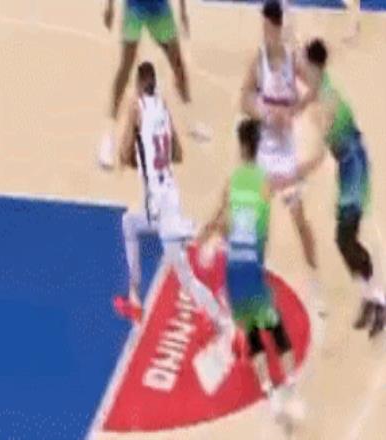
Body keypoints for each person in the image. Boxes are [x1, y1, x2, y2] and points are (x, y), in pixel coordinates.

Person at [199, 118, 324, 432]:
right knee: (278, 333)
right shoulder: (266, 183)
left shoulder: (232, 183)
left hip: (234, 272)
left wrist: (205, 239)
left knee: (253, 337)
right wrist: (316, 159)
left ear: (241, 147)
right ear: (258, 147)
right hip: (254, 271)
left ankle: (270, 394)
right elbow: (291, 180)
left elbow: (219, 221)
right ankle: (291, 391)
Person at [114, 62, 231, 341]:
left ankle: (222, 320)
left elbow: (123, 153)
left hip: (157, 203)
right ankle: (135, 298)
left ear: (138, 85)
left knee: (185, 274)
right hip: (170, 194)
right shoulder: (163, 107)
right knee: (130, 223)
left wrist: (135, 154)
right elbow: (177, 154)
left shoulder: (136, 108)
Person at [303, 38, 385, 337]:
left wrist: (295, 174)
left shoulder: (328, 99)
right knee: (344, 240)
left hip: (354, 169)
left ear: (313, 66)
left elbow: (318, 154)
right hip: (347, 167)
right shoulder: (318, 85)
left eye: (305, 64)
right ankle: (370, 295)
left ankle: (378, 298)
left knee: (345, 238)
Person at [240, 0, 319, 276]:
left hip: (285, 153)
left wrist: (293, 111)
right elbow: (244, 100)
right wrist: (265, 114)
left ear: (275, 27)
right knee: (256, 219)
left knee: (300, 221)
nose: (264, 31)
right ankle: (251, 273)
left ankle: (314, 279)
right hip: (264, 151)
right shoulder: (258, 61)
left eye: (267, 26)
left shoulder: (292, 60)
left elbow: (316, 86)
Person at [98, 0, 209, 170]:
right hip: (135, 8)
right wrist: (110, 6)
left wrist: (183, 12)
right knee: (125, 68)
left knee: (178, 64)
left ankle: (191, 122)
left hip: (159, 8)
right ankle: (108, 137)